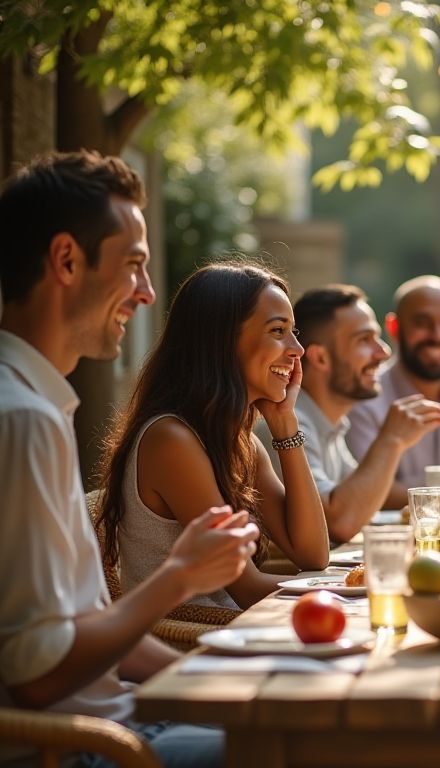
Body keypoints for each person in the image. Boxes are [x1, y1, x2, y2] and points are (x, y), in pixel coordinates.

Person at [0, 150, 259, 767]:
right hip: (80, 752)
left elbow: (93, 628)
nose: (146, 295)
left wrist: (218, 685)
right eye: (134, 266)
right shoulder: (23, 419)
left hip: (121, 720)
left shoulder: (38, 406)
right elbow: (38, 676)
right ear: (66, 260)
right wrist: (178, 578)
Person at [98, 261, 330, 611]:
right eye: (278, 330)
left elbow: (313, 553)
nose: (297, 349)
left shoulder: (239, 443)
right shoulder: (171, 440)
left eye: (293, 331)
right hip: (192, 645)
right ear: (222, 340)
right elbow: (247, 588)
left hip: (238, 632)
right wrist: (344, 592)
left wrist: (285, 424)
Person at [257, 285, 440, 542]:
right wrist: (392, 440)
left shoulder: (331, 423)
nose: (384, 352)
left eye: (378, 338)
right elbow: (338, 522)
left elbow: (360, 503)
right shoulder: (286, 422)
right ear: (321, 358)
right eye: (364, 340)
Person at [345, 275, 440, 506]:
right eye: (422, 323)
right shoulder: (362, 399)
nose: (437, 336)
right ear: (394, 328)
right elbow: (361, 490)